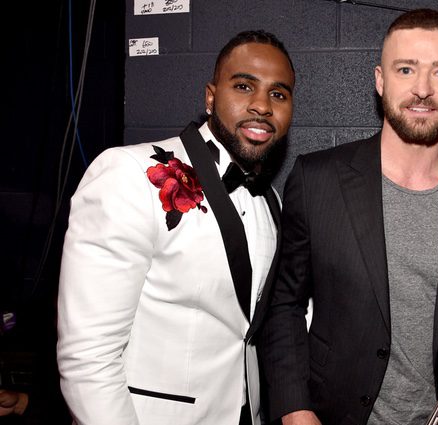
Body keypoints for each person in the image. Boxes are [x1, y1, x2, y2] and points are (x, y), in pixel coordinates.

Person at [260, 8, 438, 425]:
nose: (422, 89)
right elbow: (283, 305)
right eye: (406, 69)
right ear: (380, 80)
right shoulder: (317, 179)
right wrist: (295, 410)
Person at [57, 30, 294, 425]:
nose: (262, 106)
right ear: (211, 96)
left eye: (279, 94)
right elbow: (87, 358)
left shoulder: (270, 200)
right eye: (243, 86)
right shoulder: (130, 174)